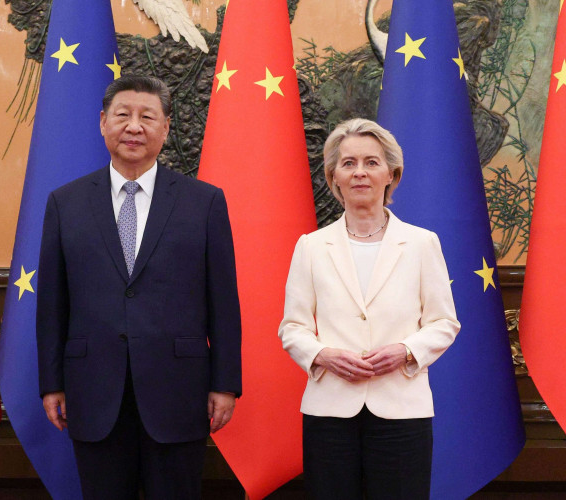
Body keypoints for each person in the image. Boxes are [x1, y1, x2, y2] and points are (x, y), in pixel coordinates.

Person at [36, 75, 243, 499]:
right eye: (123, 115)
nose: (134, 126)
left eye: (147, 117)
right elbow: (53, 303)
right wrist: (52, 382)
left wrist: (225, 383)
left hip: (178, 390)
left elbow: (223, 301)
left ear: (165, 128)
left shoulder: (204, 202)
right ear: (103, 122)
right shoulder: (65, 203)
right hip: (93, 389)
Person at [278, 118, 460, 499]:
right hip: (329, 413)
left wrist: (406, 351)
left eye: (371, 162)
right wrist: (323, 355)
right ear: (334, 176)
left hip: (402, 412)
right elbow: (292, 328)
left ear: (391, 174)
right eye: (348, 163)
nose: (359, 172)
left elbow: (444, 322)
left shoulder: (422, 243)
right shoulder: (311, 246)